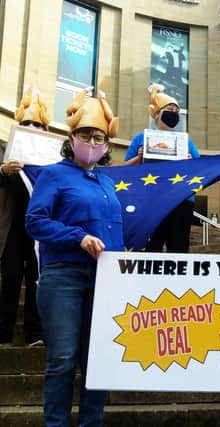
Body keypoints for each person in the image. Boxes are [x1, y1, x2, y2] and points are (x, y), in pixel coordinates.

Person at [25, 88, 123, 426]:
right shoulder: (52, 174)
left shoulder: (108, 183)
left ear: (107, 145)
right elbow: (34, 220)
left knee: (97, 360)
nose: (92, 142)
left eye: (99, 137)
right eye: (86, 135)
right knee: (64, 359)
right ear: (72, 137)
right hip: (63, 277)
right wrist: (77, 236)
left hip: (105, 280)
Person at [124, 84, 200, 252]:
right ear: (157, 113)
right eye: (170, 109)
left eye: (176, 111)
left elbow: (199, 169)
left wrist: (189, 160)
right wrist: (139, 157)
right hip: (150, 199)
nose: (174, 114)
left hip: (180, 200)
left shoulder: (186, 141)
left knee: (178, 248)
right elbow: (125, 169)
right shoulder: (141, 138)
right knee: (152, 246)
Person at [0, 87, 48, 347]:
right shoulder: (5, 149)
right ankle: (3, 335)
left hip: (40, 231)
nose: (33, 127)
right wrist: (4, 169)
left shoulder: (53, 155)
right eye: (27, 123)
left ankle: (34, 334)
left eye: (37, 124)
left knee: (36, 281)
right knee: (10, 279)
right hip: (13, 229)